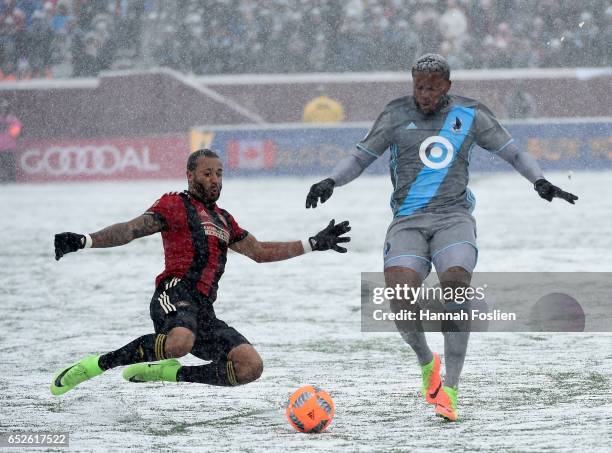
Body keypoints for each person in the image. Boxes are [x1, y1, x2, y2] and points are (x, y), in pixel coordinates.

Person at [305, 54, 577, 422]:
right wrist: (330, 182)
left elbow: (512, 152)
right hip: (408, 222)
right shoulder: (396, 114)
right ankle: (425, 359)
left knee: (455, 288)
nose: (424, 94)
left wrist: (540, 181)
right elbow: (359, 158)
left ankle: (450, 389)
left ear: (447, 85)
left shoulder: (470, 114)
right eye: (419, 86)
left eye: (432, 87)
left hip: (454, 219)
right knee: (400, 298)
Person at [51, 148, 351, 395]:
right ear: (190, 175)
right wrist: (85, 240)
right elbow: (130, 230)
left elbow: (260, 252)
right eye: (207, 173)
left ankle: (173, 374)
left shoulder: (223, 219)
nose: (215, 180)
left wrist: (312, 243)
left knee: (250, 367)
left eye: (219, 174)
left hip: (203, 310)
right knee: (180, 341)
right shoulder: (174, 205)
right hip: (175, 292)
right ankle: (98, 364)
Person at [0, 98, 22, 183]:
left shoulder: (12, 119)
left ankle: (11, 181)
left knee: (9, 167)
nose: (2, 111)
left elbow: (16, 131)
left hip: (8, 148)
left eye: (4, 108)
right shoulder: (12, 119)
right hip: (7, 147)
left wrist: (10, 132)